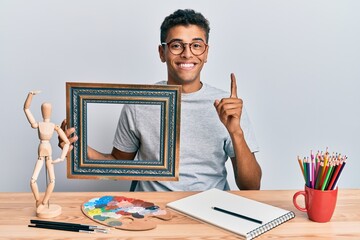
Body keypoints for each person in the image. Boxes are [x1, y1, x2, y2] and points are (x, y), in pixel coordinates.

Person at [60, 9, 261, 191]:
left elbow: (251, 186)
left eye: (196, 45)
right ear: (162, 52)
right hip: (152, 210)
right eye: (176, 45)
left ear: (206, 53)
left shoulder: (228, 107)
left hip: (210, 210)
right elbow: (116, 166)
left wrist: (236, 132)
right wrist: (79, 150)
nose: (187, 53)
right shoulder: (139, 103)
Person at [24, 91, 70, 217]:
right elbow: (26, 109)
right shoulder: (39, 124)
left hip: (48, 154)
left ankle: (44, 202)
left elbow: (66, 142)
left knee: (52, 180)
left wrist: (61, 157)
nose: (46, 111)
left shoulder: (54, 126)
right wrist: (30, 95)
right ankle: (38, 200)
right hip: (41, 153)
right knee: (33, 180)